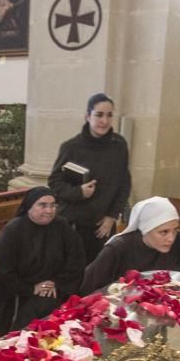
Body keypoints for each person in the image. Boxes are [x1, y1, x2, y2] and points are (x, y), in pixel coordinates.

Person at [0, 187, 86, 336]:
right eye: (43, 205)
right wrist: (30, 289)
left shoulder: (61, 226)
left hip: (53, 289)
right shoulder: (13, 230)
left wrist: (56, 282)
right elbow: (1, 269)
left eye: (53, 205)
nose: (49, 210)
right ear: (29, 207)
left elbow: (76, 259)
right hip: (17, 292)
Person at [48, 92, 131, 266]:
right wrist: (79, 192)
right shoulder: (71, 147)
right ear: (88, 116)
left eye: (109, 115)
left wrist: (112, 216)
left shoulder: (119, 146)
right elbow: (54, 183)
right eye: (99, 115)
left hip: (103, 225)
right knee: (72, 274)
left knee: (100, 275)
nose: (105, 121)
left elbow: (124, 184)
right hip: (73, 223)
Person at [80, 196, 180, 295]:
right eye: (164, 232)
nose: (171, 238)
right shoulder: (118, 248)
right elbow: (88, 289)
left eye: (175, 230)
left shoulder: (179, 241)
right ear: (145, 230)